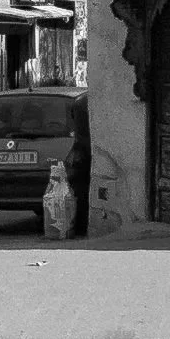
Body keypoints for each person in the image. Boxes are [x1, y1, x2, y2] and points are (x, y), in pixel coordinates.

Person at [66, 91, 92, 239]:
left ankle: (78, 225)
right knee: (82, 190)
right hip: (86, 150)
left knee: (79, 189)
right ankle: (82, 225)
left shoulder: (79, 102)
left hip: (80, 150)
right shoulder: (85, 101)